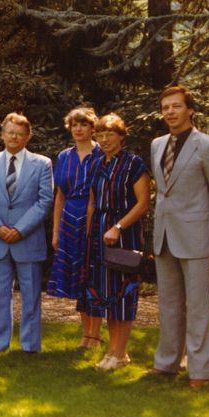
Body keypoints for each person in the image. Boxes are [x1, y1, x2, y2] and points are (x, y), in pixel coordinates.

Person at [150, 87, 209, 389]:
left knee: (198, 307)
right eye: (165, 107)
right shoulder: (157, 144)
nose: (170, 112)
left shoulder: (208, 146)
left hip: (196, 236)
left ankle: (200, 371)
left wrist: (207, 224)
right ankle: (167, 363)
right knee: (169, 304)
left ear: (190, 110)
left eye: (176, 106)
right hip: (164, 235)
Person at [0, 113, 53, 354]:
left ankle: (30, 345)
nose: (14, 137)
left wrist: (20, 229)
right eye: (10, 132)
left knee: (31, 296)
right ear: (2, 134)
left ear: (28, 136)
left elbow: (44, 201)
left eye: (19, 134)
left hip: (28, 239)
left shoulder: (42, 163)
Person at [78, 113, 150, 370]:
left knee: (122, 293)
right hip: (99, 233)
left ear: (121, 136)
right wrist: (89, 233)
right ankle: (114, 352)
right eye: (100, 134)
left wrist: (118, 227)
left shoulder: (134, 164)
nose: (105, 139)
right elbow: (91, 202)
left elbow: (143, 203)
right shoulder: (96, 163)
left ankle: (118, 353)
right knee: (106, 294)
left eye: (110, 134)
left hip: (124, 233)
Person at [47, 107, 103, 347]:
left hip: (95, 217)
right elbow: (59, 196)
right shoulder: (64, 156)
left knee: (93, 276)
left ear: (92, 128)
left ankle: (95, 335)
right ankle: (85, 334)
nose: (78, 129)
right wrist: (56, 231)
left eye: (84, 124)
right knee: (78, 278)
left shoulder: (101, 154)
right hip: (69, 218)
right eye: (74, 125)